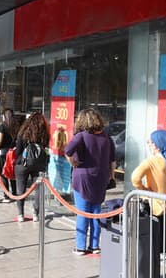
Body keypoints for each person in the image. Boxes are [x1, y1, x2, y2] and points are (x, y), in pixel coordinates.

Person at [65, 108, 116, 255]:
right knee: (96, 212)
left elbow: (68, 151)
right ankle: (94, 245)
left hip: (82, 177)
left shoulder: (80, 136)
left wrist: (73, 162)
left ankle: (80, 246)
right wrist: (111, 176)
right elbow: (112, 161)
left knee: (82, 212)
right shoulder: (107, 138)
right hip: (101, 177)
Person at [130, 129, 166, 278]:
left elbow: (135, 178)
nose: (149, 144)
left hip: (156, 207)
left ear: (158, 145)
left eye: (151, 142)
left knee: (154, 244)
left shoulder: (151, 161)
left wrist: (144, 190)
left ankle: (155, 273)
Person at [13, 111, 50, 222]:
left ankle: (20, 214)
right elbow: (46, 148)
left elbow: (18, 151)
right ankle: (36, 214)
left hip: (22, 164)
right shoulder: (44, 134)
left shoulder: (23, 133)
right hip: (39, 164)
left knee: (20, 189)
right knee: (38, 189)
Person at [0, 108, 19, 203]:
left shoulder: (2, 126)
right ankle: (14, 194)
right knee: (12, 174)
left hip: (3, 153)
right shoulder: (16, 126)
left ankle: (6, 196)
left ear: (4, 116)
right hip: (13, 153)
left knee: (3, 174)